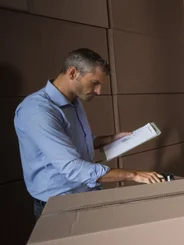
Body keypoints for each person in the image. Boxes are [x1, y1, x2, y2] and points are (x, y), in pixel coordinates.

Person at [14, 48, 165, 220]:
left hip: (83, 195)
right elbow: (73, 168)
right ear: (72, 72)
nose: (99, 91)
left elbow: (76, 143)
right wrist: (134, 175)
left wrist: (109, 140)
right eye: (94, 83)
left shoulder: (74, 102)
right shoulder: (38, 112)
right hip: (57, 208)